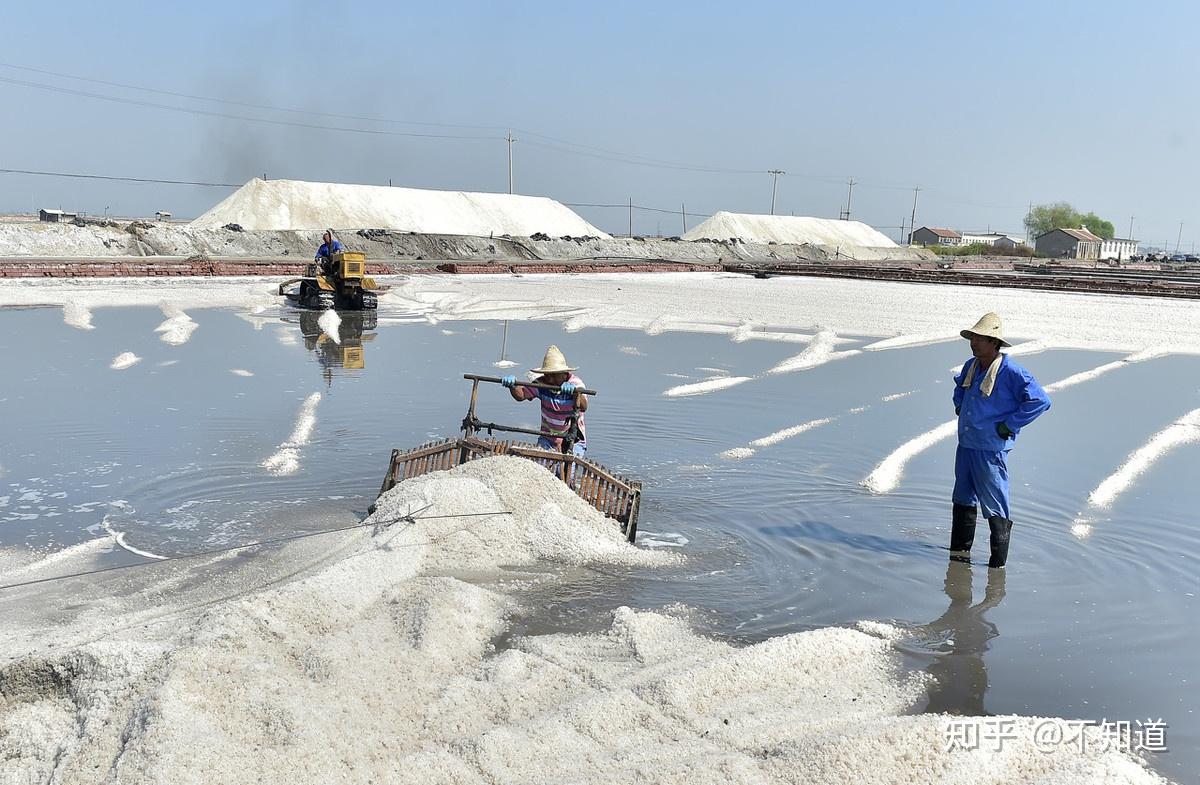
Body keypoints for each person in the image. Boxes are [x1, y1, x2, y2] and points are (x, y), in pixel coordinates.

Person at [950, 312, 1051, 568]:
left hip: (990, 449)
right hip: (967, 444)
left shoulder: (1011, 371)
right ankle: (959, 559)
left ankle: (997, 566)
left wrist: (1009, 425)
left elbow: (1040, 401)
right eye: (972, 337)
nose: (973, 343)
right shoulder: (970, 367)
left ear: (994, 342)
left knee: (995, 504)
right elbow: (959, 389)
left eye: (980, 338)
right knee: (962, 498)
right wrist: (959, 406)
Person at [500, 345, 588, 456]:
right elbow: (521, 395)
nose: (550, 379)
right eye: (547, 375)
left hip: (573, 439)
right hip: (547, 438)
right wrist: (512, 386)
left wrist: (575, 393)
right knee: (541, 469)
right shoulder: (542, 383)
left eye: (554, 375)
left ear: (564, 373)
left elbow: (584, 407)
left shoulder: (576, 383)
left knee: (567, 472)